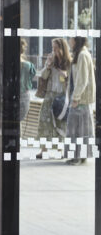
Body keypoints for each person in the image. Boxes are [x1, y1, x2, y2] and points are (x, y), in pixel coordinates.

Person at [35, 38, 70, 158]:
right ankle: (43, 150)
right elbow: (42, 76)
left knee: (60, 123)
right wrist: (48, 66)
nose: (53, 50)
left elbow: (72, 80)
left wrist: (66, 76)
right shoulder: (51, 59)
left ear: (62, 48)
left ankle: (60, 150)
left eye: (56, 48)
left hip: (61, 96)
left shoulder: (68, 62)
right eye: (52, 48)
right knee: (45, 122)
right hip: (50, 95)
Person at [65, 36, 94, 165]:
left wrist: (76, 97)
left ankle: (76, 157)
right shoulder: (82, 53)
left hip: (80, 99)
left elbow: (82, 80)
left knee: (75, 129)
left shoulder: (82, 55)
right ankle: (81, 156)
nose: (69, 41)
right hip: (82, 99)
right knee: (82, 128)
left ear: (76, 40)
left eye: (71, 39)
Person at [18, 39, 37, 125]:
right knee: (19, 122)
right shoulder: (29, 65)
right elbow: (32, 76)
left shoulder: (7, 63)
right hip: (24, 96)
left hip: (10, 96)